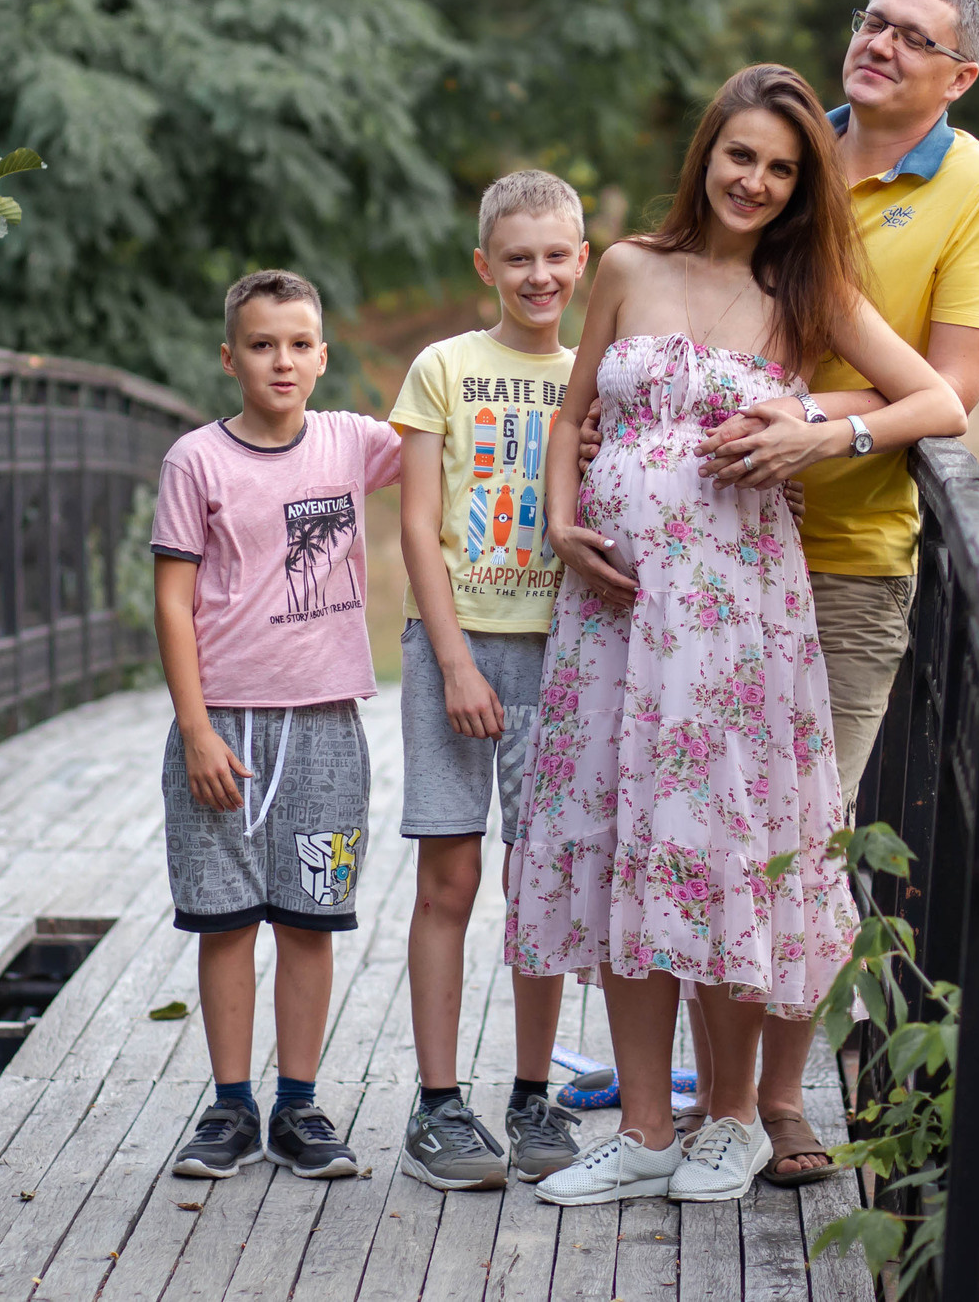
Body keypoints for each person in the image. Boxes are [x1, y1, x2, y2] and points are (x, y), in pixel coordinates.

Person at [514, 63, 968, 1206]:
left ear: (801, 182)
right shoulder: (625, 266)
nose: (754, 182)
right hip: (612, 618)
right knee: (624, 838)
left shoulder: (801, 290)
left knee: (716, 848)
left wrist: (820, 428)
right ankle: (646, 1129)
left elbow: (938, 401)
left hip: (732, 625)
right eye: (739, 157)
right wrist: (563, 523)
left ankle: (730, 1121)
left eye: (779, 167)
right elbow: (572, 415)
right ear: (705, 154)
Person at [676, 0, 979, 1186]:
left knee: (799, 839)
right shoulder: (783, 153)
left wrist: (813, 427)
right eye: (870, 22)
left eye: (911, 36)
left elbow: (953, 392)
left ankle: (779, 1099)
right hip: (708, 549)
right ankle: (717, 1101)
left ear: (958, 76)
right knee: (709, 826)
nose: (878, 44)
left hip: (843, 560)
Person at [154, 270, 404, 1181]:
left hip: (326, 731)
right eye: (262, 345)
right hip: (221, 728)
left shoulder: (353, 442)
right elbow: (173, 604)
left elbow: (453, 450)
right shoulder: (197, 461)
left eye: (300, 344)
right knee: (225, 923)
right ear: (231, 358)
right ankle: (229, 1107)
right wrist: (195, 729)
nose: (282, 360)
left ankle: (299, 1105)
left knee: (308, 920)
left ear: (324, 356)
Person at [388, 169, 590, 1191]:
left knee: (540, 879)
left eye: (556, 255)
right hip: (455, 648)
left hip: (565, 652)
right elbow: (415, 525)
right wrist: (457, 658)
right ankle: (436, 1105)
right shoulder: (444, 368)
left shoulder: (594, 376)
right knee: (453, 875)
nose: (538, 273)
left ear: (584, 261)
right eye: (518, 257)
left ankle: (532, 1094)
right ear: (485, 268)